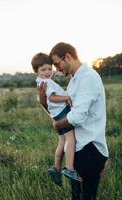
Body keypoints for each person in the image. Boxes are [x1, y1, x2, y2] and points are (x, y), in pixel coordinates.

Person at [39, 42, 109, 200]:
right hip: (79, 149)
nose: (57, 69)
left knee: (86, 197)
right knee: (76, 197)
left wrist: (57, 125)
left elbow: (76, 117)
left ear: (68, 56)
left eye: (57, 64)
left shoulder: (88, 77)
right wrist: (44, 103)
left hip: (90, 150)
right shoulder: (73, 81)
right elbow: (62, 113)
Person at [31, 52, 82, 186]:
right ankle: (70, 168)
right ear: (36, 72)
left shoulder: (40, 82)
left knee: (62, 141)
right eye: (43, 69)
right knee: (71, 139)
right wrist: (66, 98)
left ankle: (57, 168)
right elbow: (52, 98)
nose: (48, 72)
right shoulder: (46, 82)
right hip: (62, 113)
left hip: (56, 114)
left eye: (49, 68)